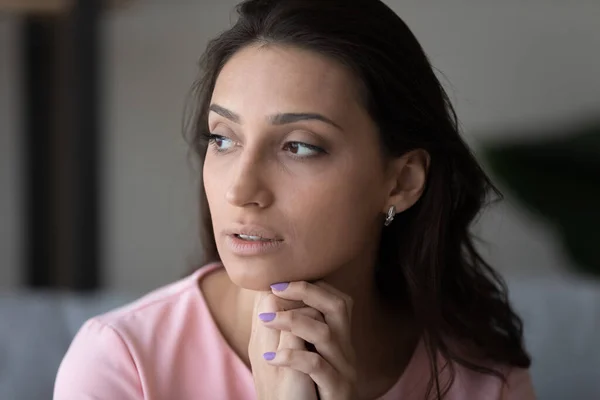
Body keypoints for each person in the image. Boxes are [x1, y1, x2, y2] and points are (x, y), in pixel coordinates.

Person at [54, 0, 536, 399]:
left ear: (402, 181)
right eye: (223, 139)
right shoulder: (123, 364)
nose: (239, 190)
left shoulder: (482, 380)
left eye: (299, 146)